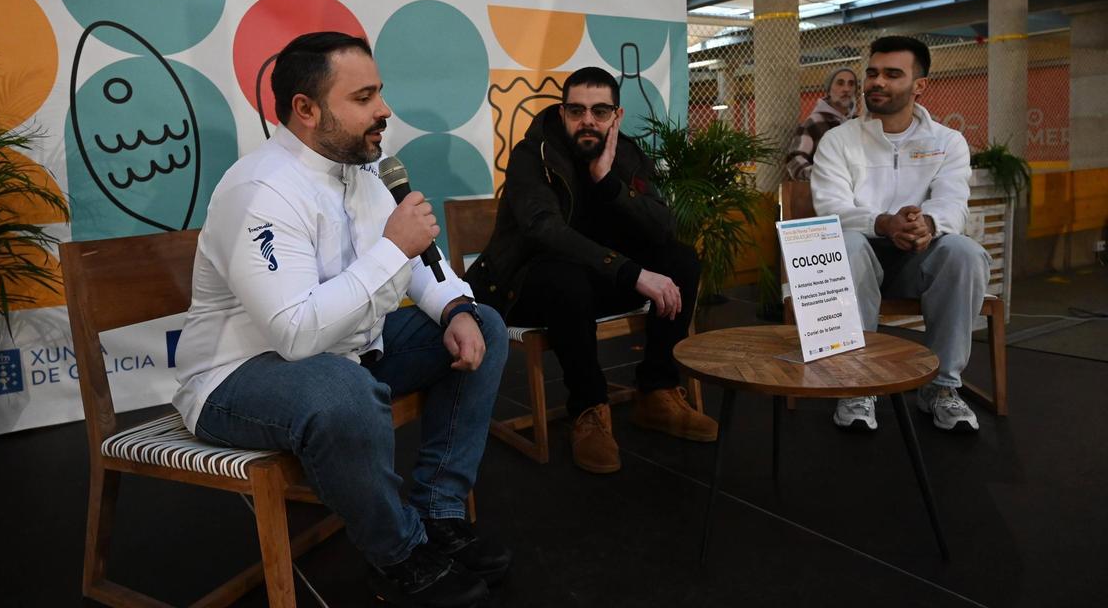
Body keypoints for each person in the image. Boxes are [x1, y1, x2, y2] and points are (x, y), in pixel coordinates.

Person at [173, 32, 511, 607]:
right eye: (364, 98)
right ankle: (398, 556)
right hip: (236, 375)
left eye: (379, 93)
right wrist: (393, 247)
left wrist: (455, 308)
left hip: (346, 355)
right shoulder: (260, 190)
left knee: (488, 325)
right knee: (342, 389)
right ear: (306, 109)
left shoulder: (364, 172)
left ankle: (439, 513)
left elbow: (420, 265)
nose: (384, 110)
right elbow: (295, 333)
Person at [466, 66, 717, 474]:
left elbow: (663, 226)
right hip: (526, 285)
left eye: (600, 111)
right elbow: (544, 230)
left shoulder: (627, 154)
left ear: (616, 116)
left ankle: (657, 391)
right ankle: (589, 408)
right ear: (562, 113)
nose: (587, 120)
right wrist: (632, 273)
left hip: (597, 279)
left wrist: (607, 181)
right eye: (576, 110)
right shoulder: (534, 154)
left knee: (681, 260)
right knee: (567, 279)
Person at [811, 36, 990, 433]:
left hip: (919, 257)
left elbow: (953, 203)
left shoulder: (948, 142)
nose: (878, 82)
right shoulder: (838, 140)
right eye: (873, 73)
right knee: (846, 243)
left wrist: (928, 225)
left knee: (964, 252)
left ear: (919, 85)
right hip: (859, 257)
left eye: (893, 74)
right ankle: (856, 382)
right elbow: (830, 208)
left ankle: (941, 387)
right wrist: (883, 223)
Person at [785, 66, 859, 181]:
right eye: (840, 83)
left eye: (851, 84)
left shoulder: (858, 123)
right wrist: (820, 176)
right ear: (828, 90)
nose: (846, 89)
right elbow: (794, 160)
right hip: (827, 189)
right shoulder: (815, 122)